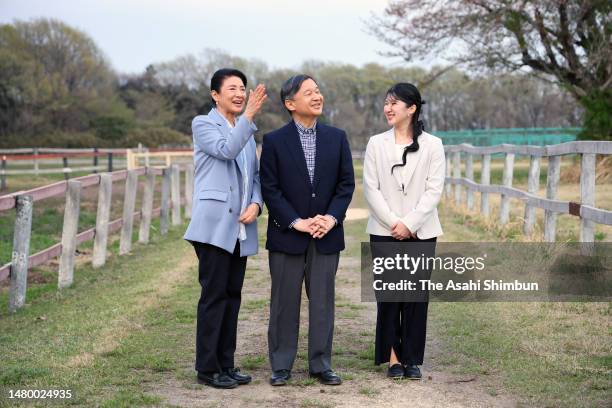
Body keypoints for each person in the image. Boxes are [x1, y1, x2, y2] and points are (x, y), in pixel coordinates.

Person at [260, 74, 355, 386]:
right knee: (284, 302)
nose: (317, 97)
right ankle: (281, 364)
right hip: (288, 234)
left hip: (326, 234)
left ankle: (321, 363)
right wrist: (296, 221)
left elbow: (346, 184)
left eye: (318, 91)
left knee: (323, 301)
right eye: (309, 92)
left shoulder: (337, 137)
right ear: (290, 103)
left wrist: (331, 217)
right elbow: (270, 189)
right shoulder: (274, 141)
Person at [183, 68, 267, 389]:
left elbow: (255, 177)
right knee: (214, 296)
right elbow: (225, 150)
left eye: (243, 88)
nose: (240, 92)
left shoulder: (246, 130)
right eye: (232, 88)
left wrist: (256, 205)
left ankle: (226, 364)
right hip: (213, 226)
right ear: (215, 95)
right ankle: (207, 368)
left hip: (240, 227)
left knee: (233, 297)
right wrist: (248, 118)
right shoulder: (203, 124)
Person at [363, 82, 445, 380]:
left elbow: (434, 190)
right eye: (386, 102)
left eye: (395, 103)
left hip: (421, 231)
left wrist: (410, 223)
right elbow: (371, 189)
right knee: (389, 296)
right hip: (384, 230)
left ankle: (412, 358)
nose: (388, 107)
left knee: (414, 297)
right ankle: (393, 357)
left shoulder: (433, 145)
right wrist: (394, 223)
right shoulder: (375, 143)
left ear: (411, 108)